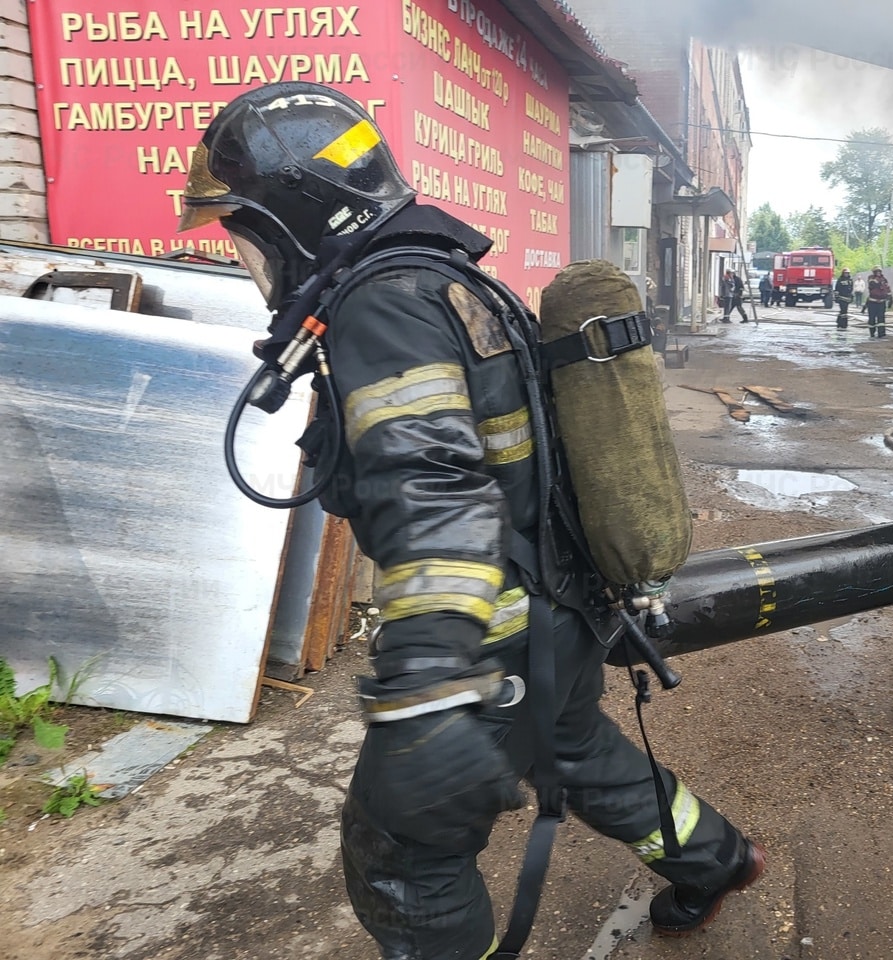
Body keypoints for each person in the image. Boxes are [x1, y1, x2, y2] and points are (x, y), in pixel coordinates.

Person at [177, 81, 764, 960]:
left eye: (246, 231)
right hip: (557, 614)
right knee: (575, 753)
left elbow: (435, 497)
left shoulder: (383, 307)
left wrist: (427, 689)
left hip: (495, 640)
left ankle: (714, 859)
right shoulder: (443, 282)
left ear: (298, 218)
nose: (246, 257)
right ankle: (716, 859)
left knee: (403, 863)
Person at [866, 267, 891, 338]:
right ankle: (872, 333)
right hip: (872, 302)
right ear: (874, 272)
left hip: (881, 302)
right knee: (872, 318)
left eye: (879, 272)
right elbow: (872, 284)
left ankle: (881, 333)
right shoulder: (871, 278)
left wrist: (889, 297)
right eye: (877, 272)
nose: (878, 273)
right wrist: (878, 280)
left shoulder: (884, 279)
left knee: (881, 319)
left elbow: (887, 288)